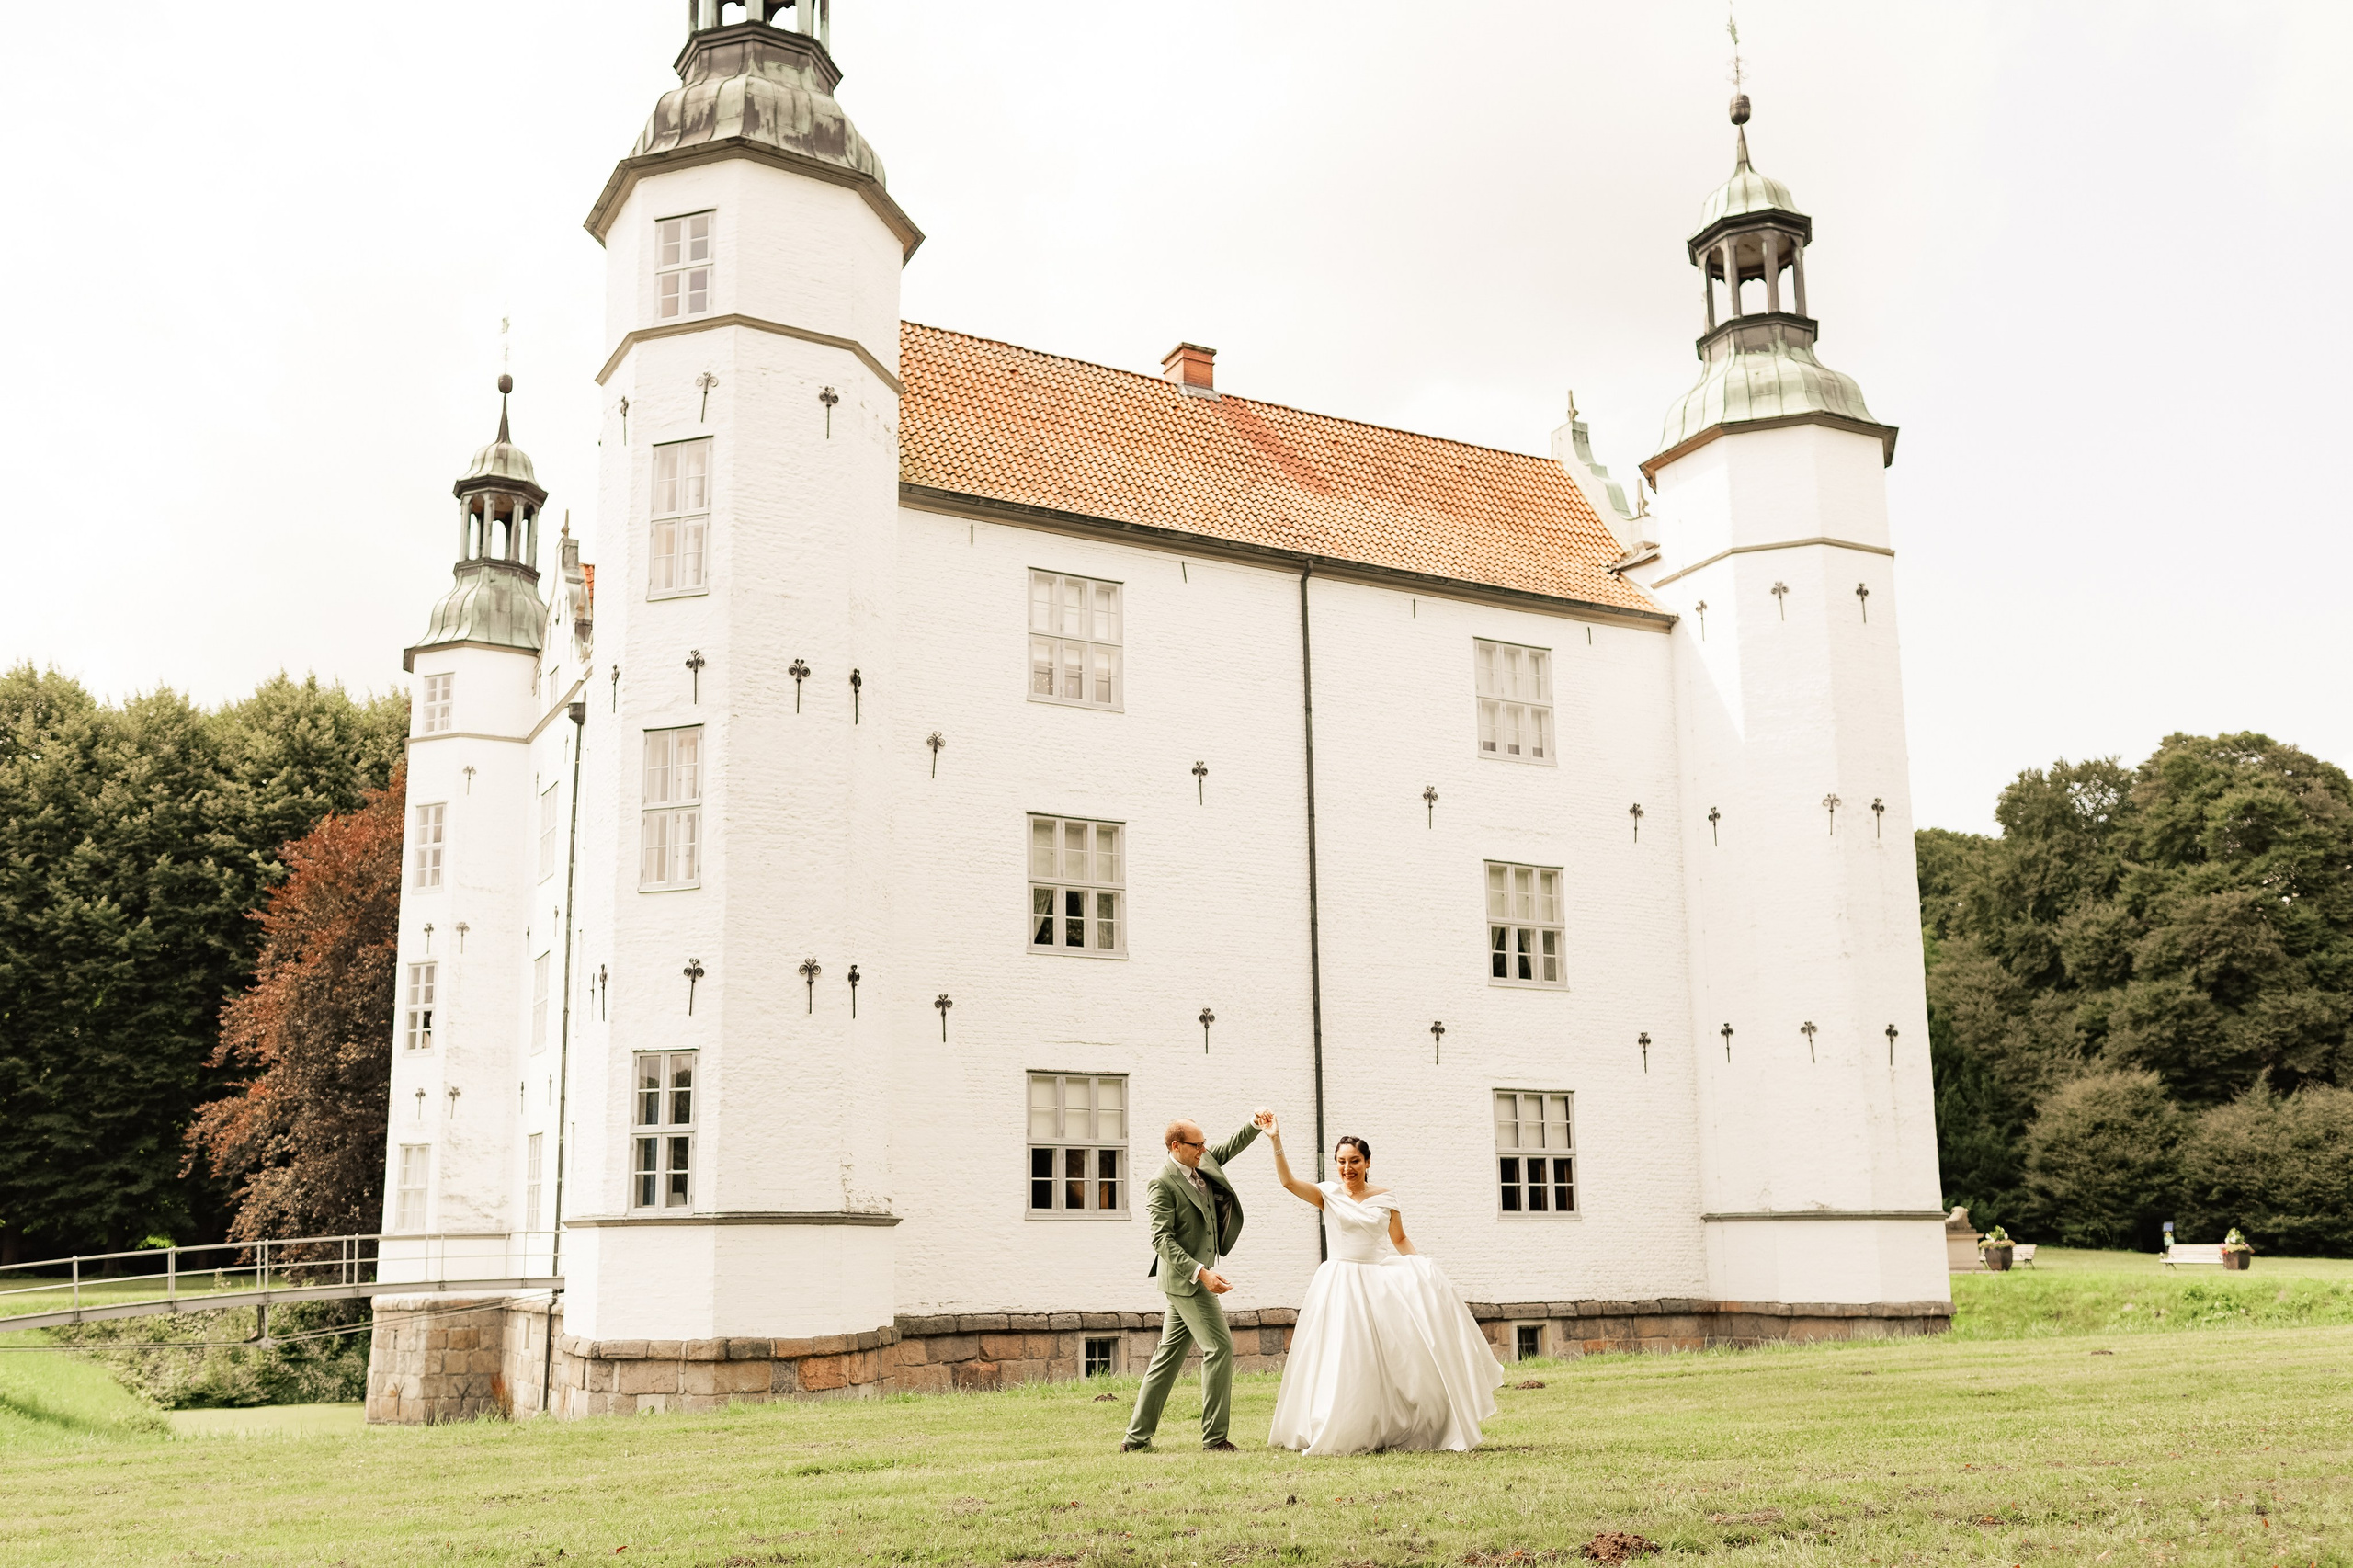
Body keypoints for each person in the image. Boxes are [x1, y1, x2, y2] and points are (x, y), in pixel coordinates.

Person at [1259, 1113, 1506, 1454]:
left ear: (1367, 1162)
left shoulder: (1386, 1197)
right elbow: (1288, 1182)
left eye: (1355, 1161)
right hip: (1340, 1282)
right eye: (1342, 1162)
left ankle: (1394, 1424)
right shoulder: (1327, 1194)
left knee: (1394, 1358)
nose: (1348, 1168)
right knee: (1343, 1355)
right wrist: (1275, 1139)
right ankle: (1343, 1425)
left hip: (1378, 1281)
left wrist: (1422, 1271)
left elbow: (1400, 1238)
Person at [1121, 1112, 1268, 1452]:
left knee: (1166, 1358)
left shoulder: (1201, 1161)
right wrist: (1201, 1273)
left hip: (1189, 1280)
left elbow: (1230, 1146)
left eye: (1204, 1143)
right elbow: (1162, 1240)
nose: (1204, 1148)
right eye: (1197, 1144)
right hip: (1187, 1280)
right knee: (1220, 1347)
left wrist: (1254, 1124)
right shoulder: (1162, 1182)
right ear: (1176, 1146)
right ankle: (1215, 1439)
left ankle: (1135, 1440)